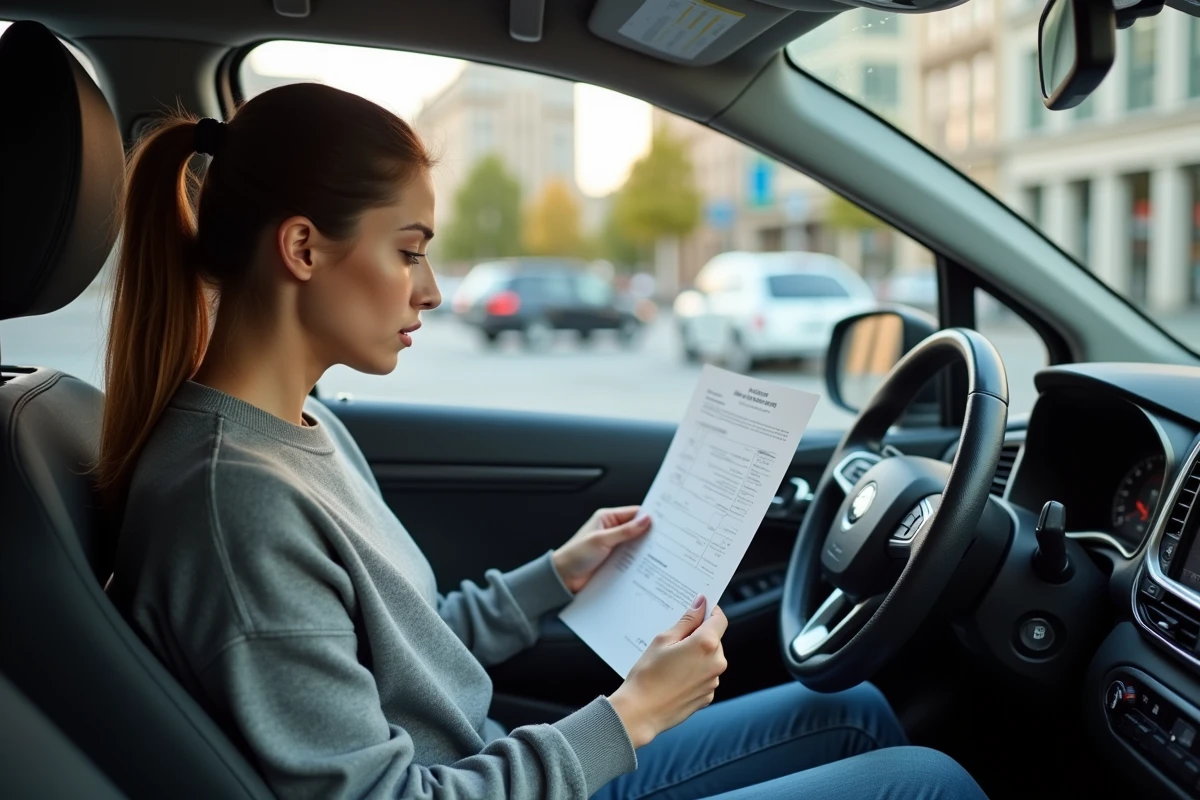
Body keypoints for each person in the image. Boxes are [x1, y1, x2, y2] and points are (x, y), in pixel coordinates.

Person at [103, 83, 987, 800]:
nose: (434, 290)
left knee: (857, 708)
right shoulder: (234, 501)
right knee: (927, 782)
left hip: (502, 766)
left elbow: (405, 653)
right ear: (301, 247)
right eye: (409, 251)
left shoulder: (302, 425)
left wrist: (553, 577)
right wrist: (631, 717)